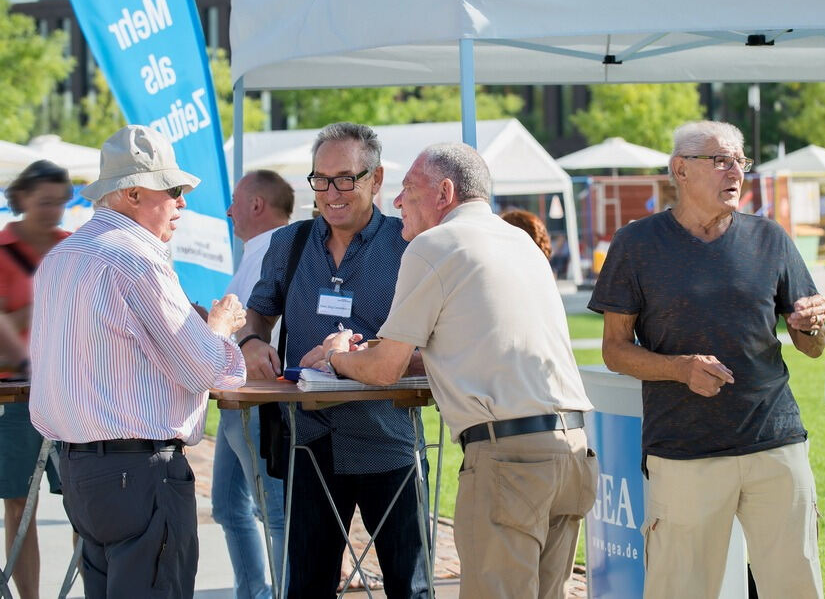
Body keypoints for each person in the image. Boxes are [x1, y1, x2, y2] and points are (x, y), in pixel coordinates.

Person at [302, 142, 598, 598]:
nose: (397, 202)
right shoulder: (518, 241)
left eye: (408, 190)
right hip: (572, 452)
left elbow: (384, 369)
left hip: (510, 460)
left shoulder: (433, 244)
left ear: (444, 192)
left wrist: (335, 354)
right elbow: (477, 342)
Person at [588, 120, 825, 599]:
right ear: (681, 170)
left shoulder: (771, 238)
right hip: (684, 452)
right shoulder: (636, 244)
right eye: (721, 160)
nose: (735, 171)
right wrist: (679, 369)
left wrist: (811, 327)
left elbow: (811, 345)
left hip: (774, 442)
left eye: (741, 160)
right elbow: (614, 349)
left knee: (797, 586)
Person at [28, 124, 248, 598]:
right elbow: (208, 368)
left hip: (84, 472)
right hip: (139, 472)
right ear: (131, 194)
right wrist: (221, 327)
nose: (182, 203)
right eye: (173, 190)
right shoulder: (138, 259)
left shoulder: (61, 257)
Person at [238, 122, 428, 598]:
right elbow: (257, 314)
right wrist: (251, 343)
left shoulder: (409, 247)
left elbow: (435, 343)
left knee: (410, 587)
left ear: (376, 179)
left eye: (346, 178)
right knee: (306, 586)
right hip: (310, 441)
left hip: (389, 439)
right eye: (321, 180)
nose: (332, 192)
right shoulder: (290, 243)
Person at [214, 170, 293, 599]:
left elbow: (255, 332)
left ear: (257, 205)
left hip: (260, 400)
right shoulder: (258, 251)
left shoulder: (274, 250)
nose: (228, 211)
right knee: (228, 507)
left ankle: (275, 593)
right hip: (237, 400)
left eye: (235, 202)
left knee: (274, 513)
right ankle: (255, 593)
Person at [0, 160, 72, 599]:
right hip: (17, 393)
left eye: (59, 202)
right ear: (21, 198)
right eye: (43, 201)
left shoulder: (72, 247)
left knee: (85, 503)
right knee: (19, 505)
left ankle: (95, 589)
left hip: (69, 391)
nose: (51, 211)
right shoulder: (3, 251)